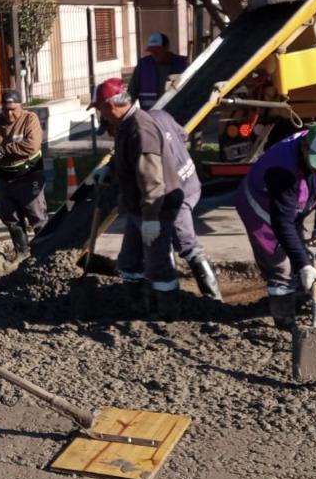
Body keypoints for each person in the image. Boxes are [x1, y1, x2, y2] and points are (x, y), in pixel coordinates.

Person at [92, 77, 220, 310]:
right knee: (130, 261)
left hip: (165, 197)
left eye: (100, 109)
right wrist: (109, 169)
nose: (101, 116)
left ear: (110, 105)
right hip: (145, 202)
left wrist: (151, 219)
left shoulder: (140, 130)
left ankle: (196, 306)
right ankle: (140, 305)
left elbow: (151, 179)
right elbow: (181, 137)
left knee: (176, 249)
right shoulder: (132, 124)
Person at [234, 123, 316, 327]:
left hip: (290, 209)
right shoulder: (282, 169)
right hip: (262, 209)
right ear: (304, 147)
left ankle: (299, 302)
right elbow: (282, 223)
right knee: (281, 266)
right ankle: (285, 323)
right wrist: (304, 265)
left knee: (299, 257)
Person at [0, 88, 47, 257]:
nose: (9, 114)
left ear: (21, 106)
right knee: (11, 217)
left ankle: (46, 254)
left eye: (13, 110)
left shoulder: (29, 119)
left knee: (36, 215)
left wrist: (3, 150)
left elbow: (32, 145)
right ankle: (22, 254)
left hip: (29, 174)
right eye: (5, 109)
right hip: (6, 178)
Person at [128, 32, 190, 110]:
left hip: (177, 114)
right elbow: (131, 94)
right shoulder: (143, 65)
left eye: (157, 50)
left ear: (166, 47)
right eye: (152, 51)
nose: (154, 54)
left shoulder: (182, 64)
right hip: (151, 116)